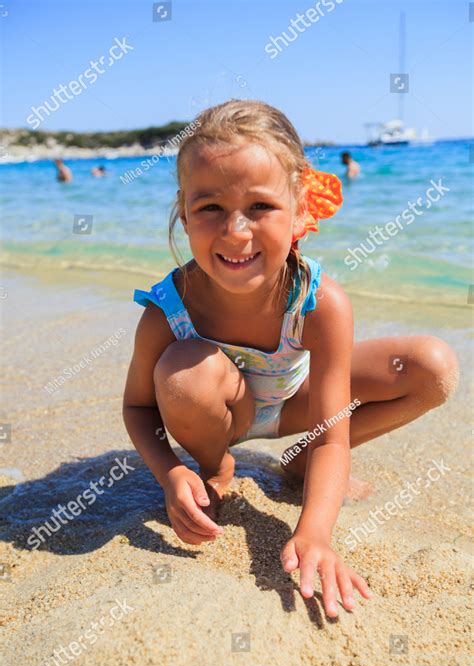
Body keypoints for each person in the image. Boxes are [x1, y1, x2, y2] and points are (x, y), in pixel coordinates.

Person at [123, 100, 458, 618]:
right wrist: (171, 472)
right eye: (210, 206)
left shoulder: (319, 303)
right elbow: (140, 409)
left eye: (260, 207)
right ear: (183, 213)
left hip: (297, 403)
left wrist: (314, 533)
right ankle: (218, 466)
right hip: (219, 411)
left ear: (301, 208)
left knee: (431, 367)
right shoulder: (168, 310)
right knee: (183, 372)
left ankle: (298, 464)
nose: (236, 231)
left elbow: (332, 431)